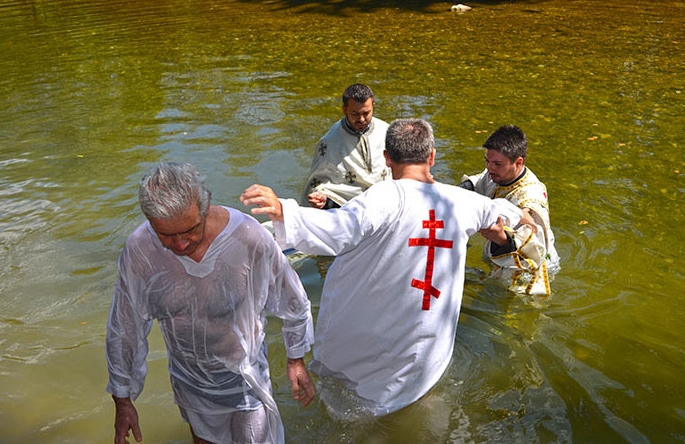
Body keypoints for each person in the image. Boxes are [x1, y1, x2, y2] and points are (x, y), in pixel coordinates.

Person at [241, 119, 531, 417]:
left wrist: (284, 210)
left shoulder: (382, 197)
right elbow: (506, 212)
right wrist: (514, 219)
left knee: (358, 407)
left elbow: (339, 229)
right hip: (430, 346)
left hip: (375, 341)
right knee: (416, 399)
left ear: (387, 158)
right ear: (432, 157)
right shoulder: (462, 202)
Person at [105, 162, 315, 444]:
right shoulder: (140, 251)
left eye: (190, 230)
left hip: (245, 381)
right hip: (191, 385)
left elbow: (292, 298)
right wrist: (123, 399)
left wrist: (296, 358)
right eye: (166, 235)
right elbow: (125, 328)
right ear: (148, 219)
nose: (180, 245)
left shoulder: (248, 238)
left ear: (204, 208)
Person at [459, 124, 561, 295]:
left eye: (497, 163)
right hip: (500, 258)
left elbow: (532, 245)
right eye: (487, 161)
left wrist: (502, 239)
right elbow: (480, 181)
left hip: (528, 270)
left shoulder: (530, 197)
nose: (490, 168)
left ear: (518, 162)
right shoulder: (498, 174)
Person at [301, 83, 391, 209]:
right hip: (347, 207)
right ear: (345, 109)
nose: (361, 119)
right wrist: (321, 197)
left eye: (366, 113)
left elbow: (400, 170)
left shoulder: (387, 131)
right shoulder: (330, 141)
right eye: (355, 114)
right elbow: (318, 183)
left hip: (385, 202)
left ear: (373, 106)